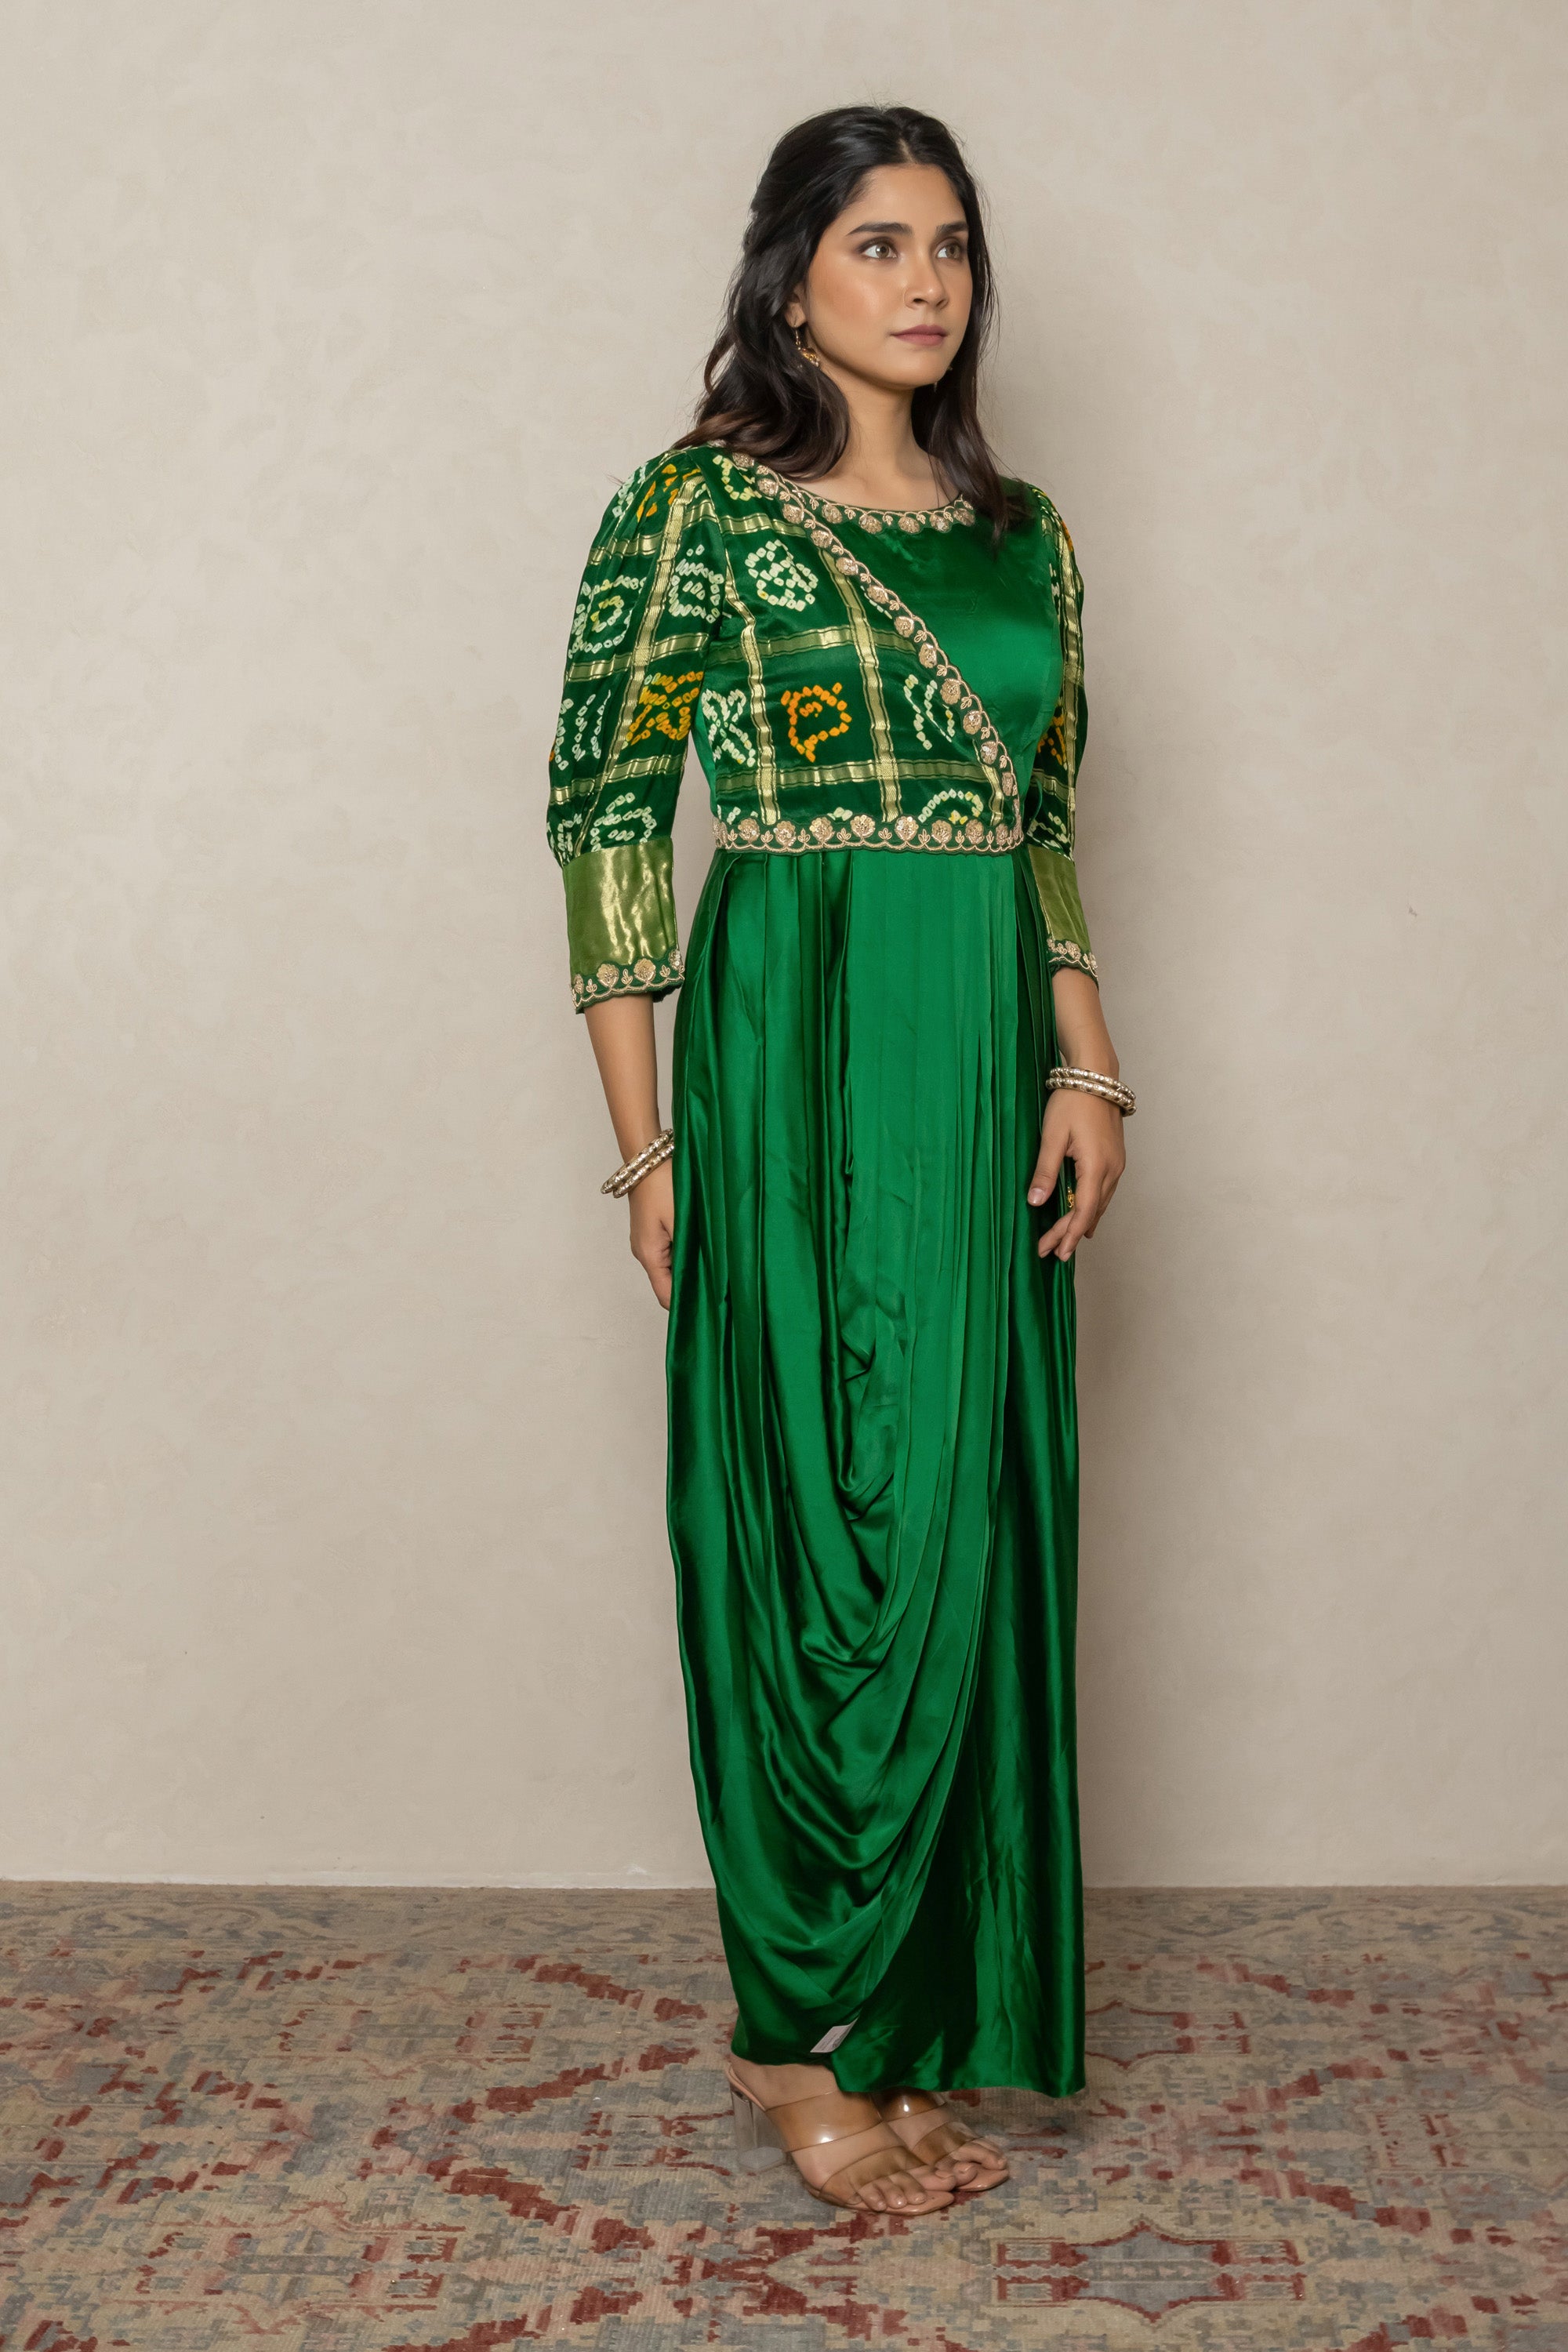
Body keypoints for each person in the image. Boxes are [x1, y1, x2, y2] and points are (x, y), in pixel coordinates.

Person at [546, 103, 1130, 2216]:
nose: (927, 280)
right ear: (789, 278)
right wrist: (646, 1146)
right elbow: (606, 810)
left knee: (955, 1509)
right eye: (879, 242)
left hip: (979, 1051)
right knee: (812, 1512)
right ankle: (789, 2029)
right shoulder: (694, 510)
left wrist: (1091, 1066)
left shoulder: (1025, 536)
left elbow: (1045, 818)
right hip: (792, 1038)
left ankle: (889, 2021)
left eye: (952, 243)